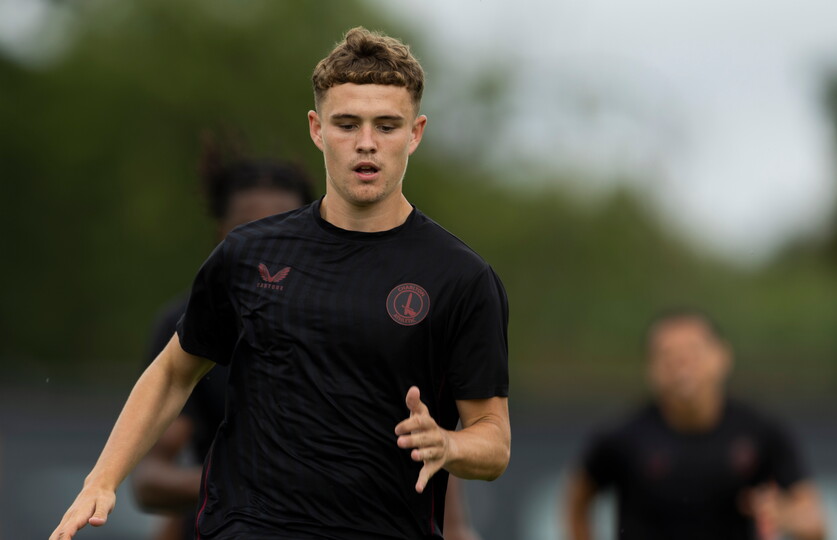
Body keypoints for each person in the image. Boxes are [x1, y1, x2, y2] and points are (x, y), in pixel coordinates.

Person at [51, 26, 510, 540]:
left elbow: (493, 441)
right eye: (346, 124)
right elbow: (173, 374)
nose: (366, 143)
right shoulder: (249, 254)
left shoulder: (461, 277)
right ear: (317, 129)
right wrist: (101, 480)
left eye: (386, 125)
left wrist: (448, 444)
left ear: (415, 133)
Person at [131, 147, 315, 539]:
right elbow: (149, 478)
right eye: (250, 231)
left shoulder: (358, 317)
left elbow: (424, 451)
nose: (269, 247)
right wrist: (240, 484)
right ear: (221, 237)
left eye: (286, 229)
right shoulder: (188, 325)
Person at [565, 308, 826, 540]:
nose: (681, 364)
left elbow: (815, 525)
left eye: (693, 352)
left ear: (722, 357)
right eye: (666, 355)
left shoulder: (762, 433)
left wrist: (787, 516)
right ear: (650, 369)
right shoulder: (621, 438)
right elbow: (576, 500)